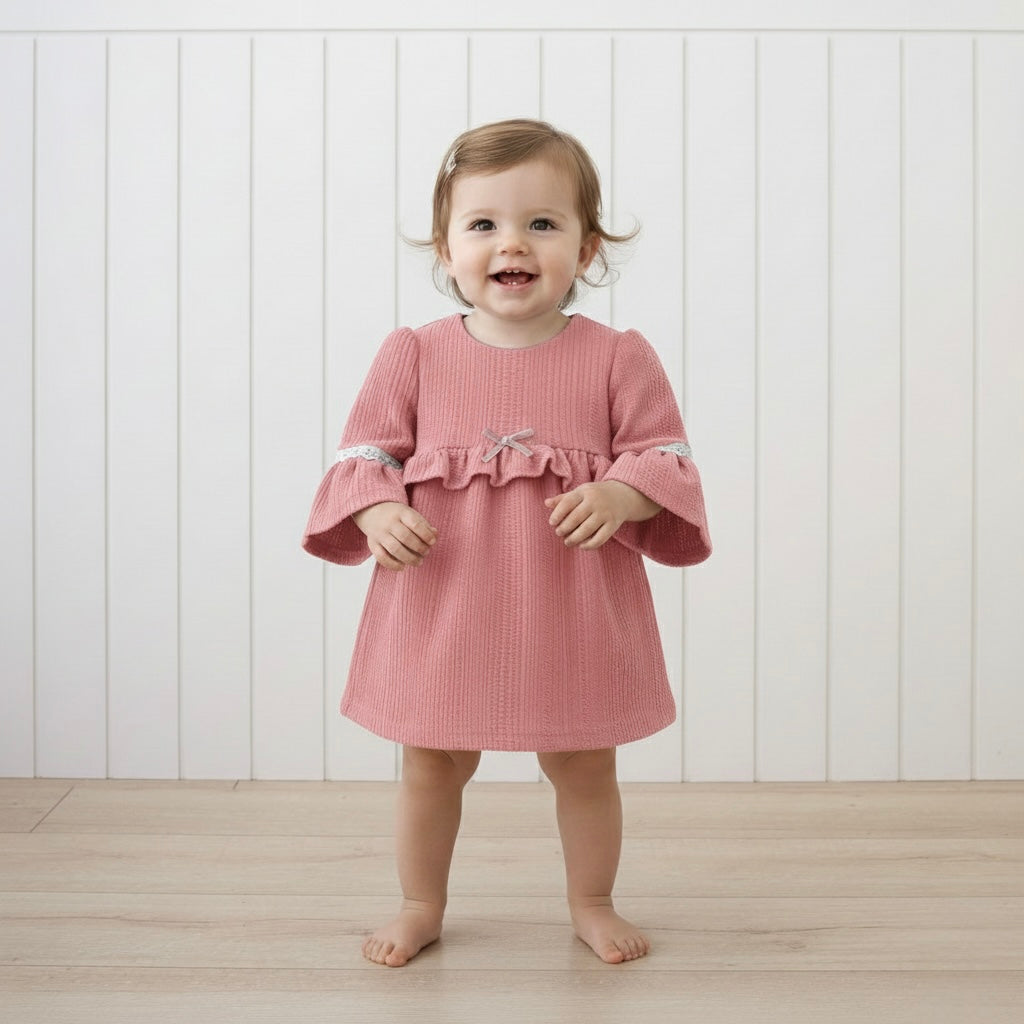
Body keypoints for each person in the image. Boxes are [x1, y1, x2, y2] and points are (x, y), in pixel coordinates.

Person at [302, 118, 711, 968]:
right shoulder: (414, 354)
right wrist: (376, 511)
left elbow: (662, 455)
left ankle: (592, 900)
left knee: (585, 764)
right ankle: (420, 902)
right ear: (446, 249)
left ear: (586, 250)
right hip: (445, 599)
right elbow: (364, 453)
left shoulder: (616, 357)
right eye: (483, 224)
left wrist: (621, 492)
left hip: (570, 605)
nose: (511, 243)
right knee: (431, 764)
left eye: (542, 223)